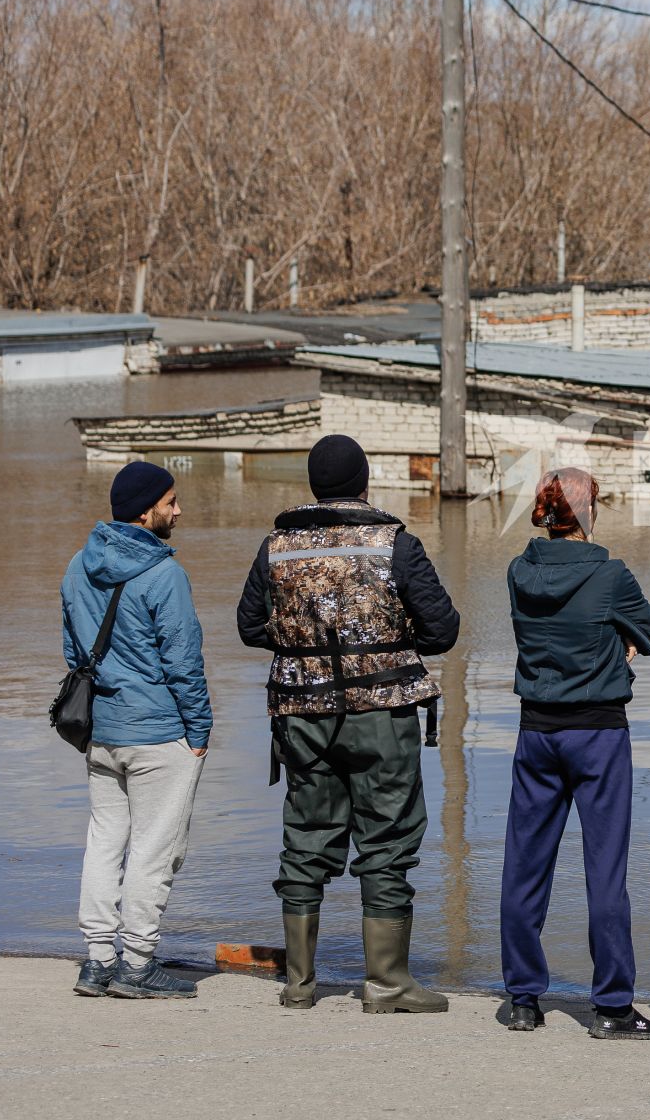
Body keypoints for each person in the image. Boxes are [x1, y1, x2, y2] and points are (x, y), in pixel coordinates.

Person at [236, 434, 460, 1013]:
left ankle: (299, 984)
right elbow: (444, 630)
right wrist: (387, 646)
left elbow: (249, 626)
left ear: (313, 486)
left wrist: (304, 649)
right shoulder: (394, 545)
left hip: (301, 716)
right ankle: (386, 984)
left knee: (305, 838)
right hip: (382, 715)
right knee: (387, 839)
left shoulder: (276, 547)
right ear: (364, 482)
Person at [499, 468, 650, 1039]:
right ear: (587, 512)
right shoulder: (611, 572)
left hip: (536, 731)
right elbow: (649, 632)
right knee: (605, 873)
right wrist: (617, 644)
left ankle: (523, 999)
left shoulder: (519, 570)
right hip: (597, 732)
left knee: (524, 867)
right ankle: (613, 1008)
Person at [64, 460, 212, 1000]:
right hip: (157, 735)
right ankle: (138, 963)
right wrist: (199, 731)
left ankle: (97, 961)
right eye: (171, 503)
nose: (179, 511)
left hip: (101, 732)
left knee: (104, 844)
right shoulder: (164, 575)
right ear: (147, 512)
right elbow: (184, 664)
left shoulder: (79, 565)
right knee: (156, 850)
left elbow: (72, 653)